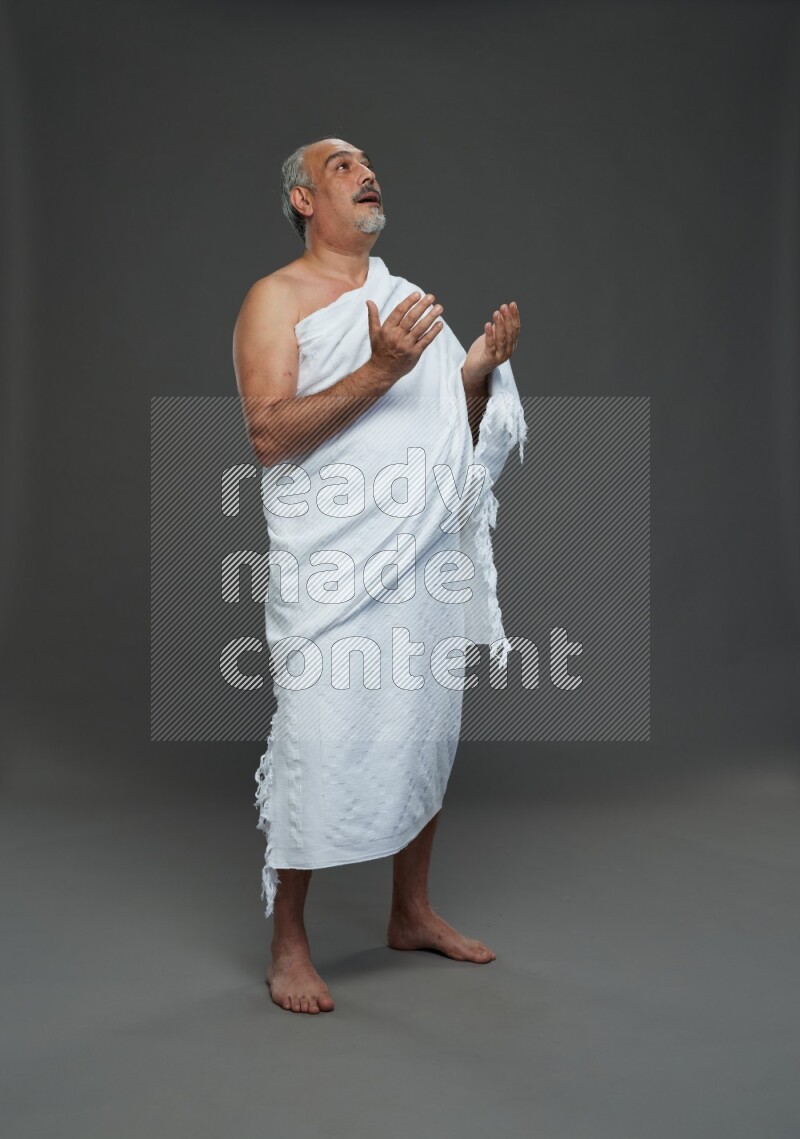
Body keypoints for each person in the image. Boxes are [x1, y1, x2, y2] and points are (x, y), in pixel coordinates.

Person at [233, 137, 523, 1014]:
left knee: (423, 722)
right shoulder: (274, 300)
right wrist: (383, 368)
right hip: (334, 567)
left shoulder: (407, 301)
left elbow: (448, 439)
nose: (365, 173)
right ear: (302, 201)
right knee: (319, 733)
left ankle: (411, 909)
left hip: (422, 557)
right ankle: (289, 940)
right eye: (340, 166)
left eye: (366, 163)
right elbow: (270, 436)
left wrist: (472, 380)